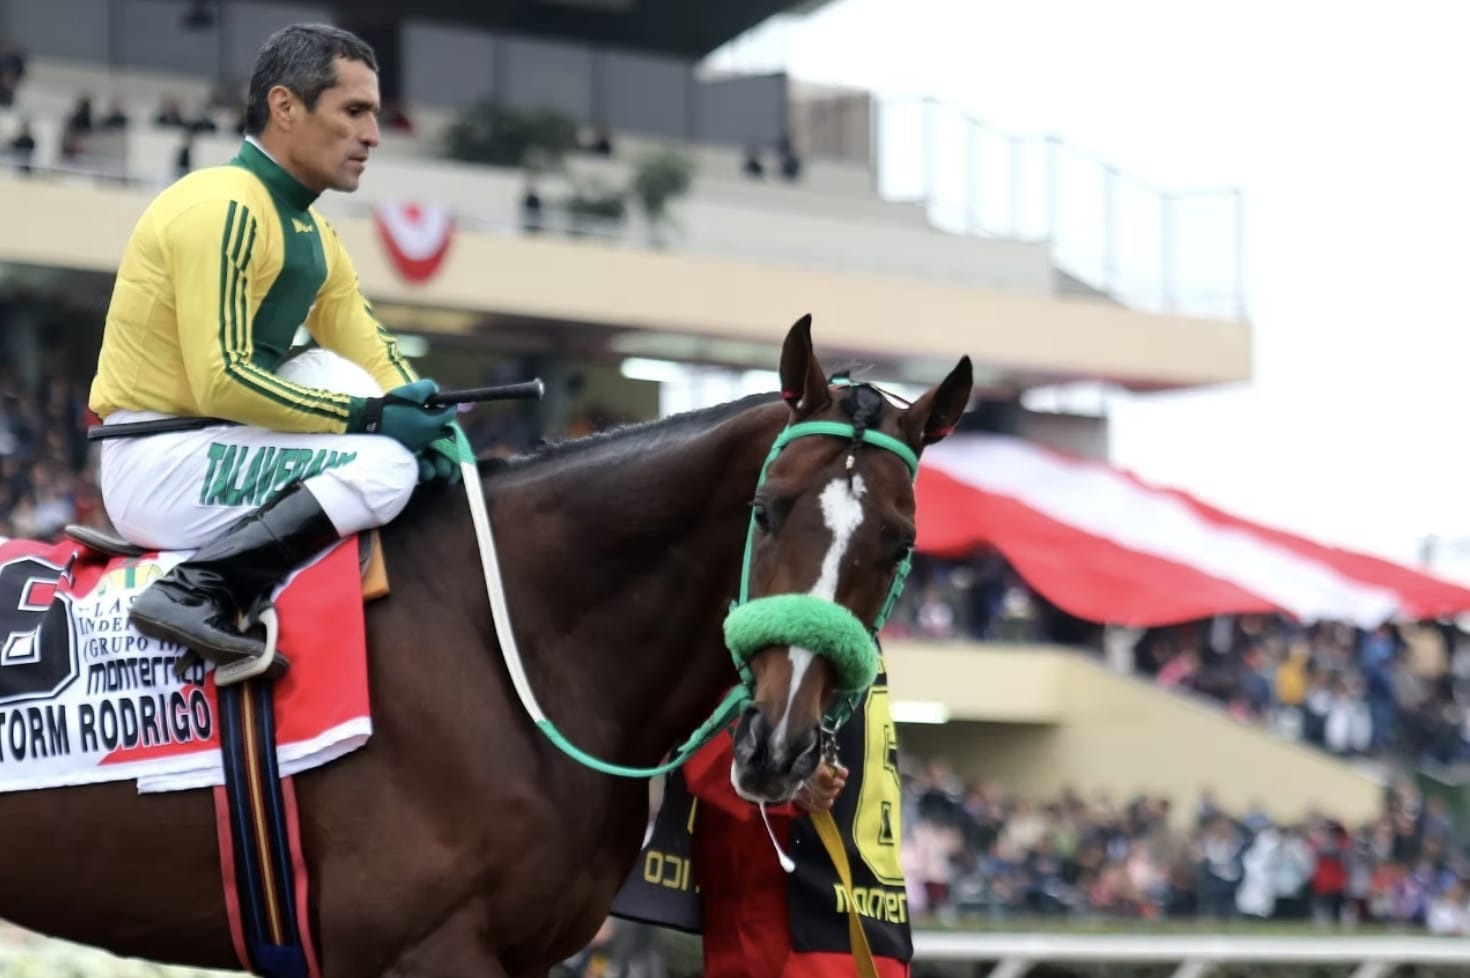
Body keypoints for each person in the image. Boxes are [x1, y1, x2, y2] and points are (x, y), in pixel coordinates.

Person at [87, 23, 460, 681]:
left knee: (326, 366)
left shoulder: (312, 229)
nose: (372, 135)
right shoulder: (221, 206)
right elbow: (223, 380)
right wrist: (374, 421)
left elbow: (368, 344)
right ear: (286, 107)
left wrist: (440, 423)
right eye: (353, 112)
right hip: (155, 461)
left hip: (212, 440)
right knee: (382, 470)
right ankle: (194, 590)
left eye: (373, 115)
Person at [611, 655, 914, 978]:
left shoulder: (778, 637)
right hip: (875, 931)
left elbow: (716, 759)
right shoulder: (864, 637)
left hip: (782, 932)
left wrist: (785, 783)